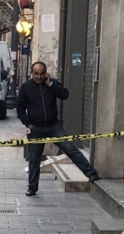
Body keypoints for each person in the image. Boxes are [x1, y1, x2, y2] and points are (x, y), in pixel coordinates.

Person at [17, 61, 99, 196]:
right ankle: (32, 187)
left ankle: (90, 173)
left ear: (46, 73)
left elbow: (64, 95)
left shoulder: (52, 84)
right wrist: (28, 124)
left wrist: (50, 84)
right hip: (35, 127)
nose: (38, 77)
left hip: (53, 125)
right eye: (36, 74)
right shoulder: (26, 87)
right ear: (31, 73)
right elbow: (20, 108)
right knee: (34, 159)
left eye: (41, 74)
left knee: (69, 148)